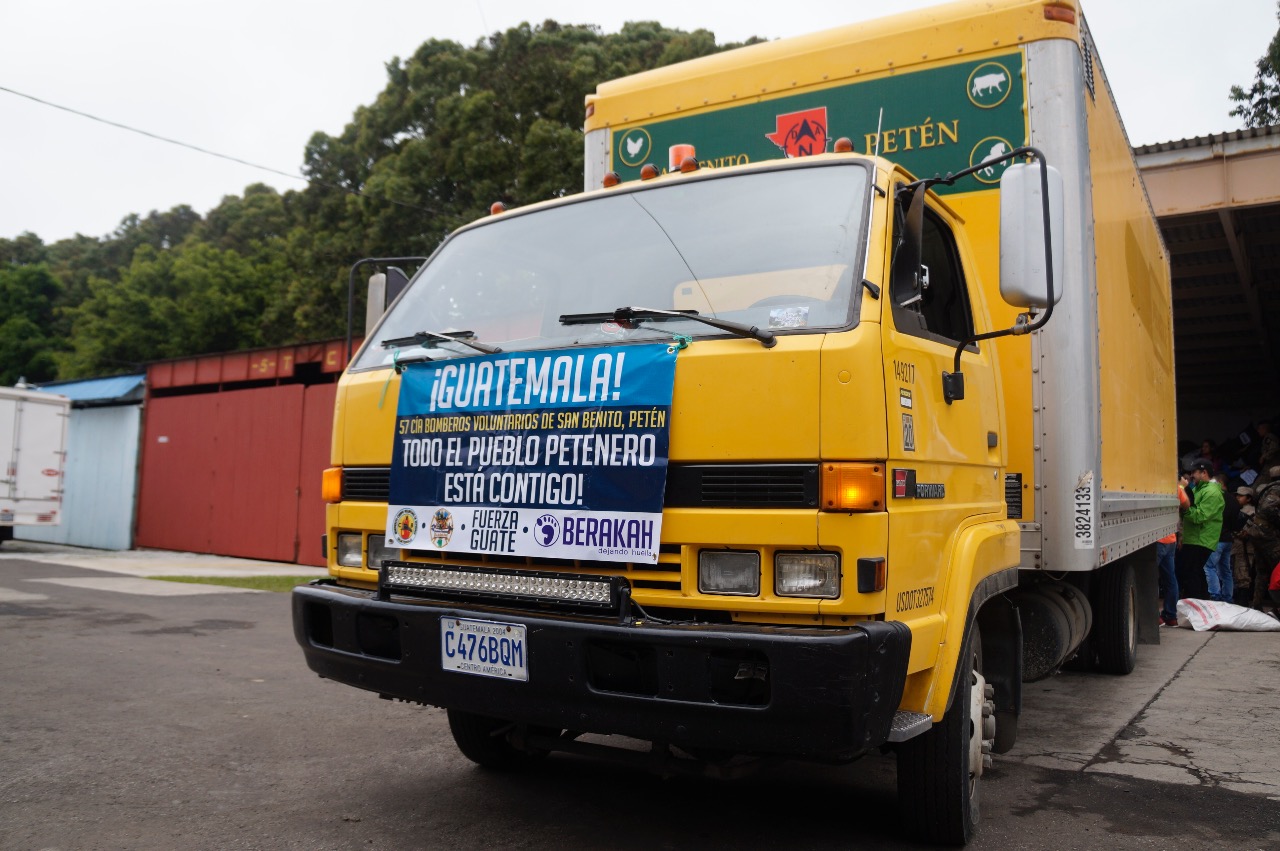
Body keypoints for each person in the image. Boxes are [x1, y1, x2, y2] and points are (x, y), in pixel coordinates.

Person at [1176, 459, 1224, 601]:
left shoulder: (1212, 493)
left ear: (1204, 473)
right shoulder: (1198, 489)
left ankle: (1195, 604)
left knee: (1192, 573)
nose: (1191, 476)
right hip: (1194, 538)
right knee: (1194, 572)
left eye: (1194, 473)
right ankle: (1201, 602)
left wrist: (1184, 508)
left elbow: (1199, 516)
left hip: (1201, 539)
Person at [1243, 466, 1280, 610]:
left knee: (1262, 571)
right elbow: (1267, 509)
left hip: (1258, 534)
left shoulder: (1266, 489)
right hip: (1267, 535)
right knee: (1278, 569)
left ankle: (1257, 605)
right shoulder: (1277, 489)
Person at [1157, 477, 1190, 626]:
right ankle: (1170, 616)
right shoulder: (1175, 488)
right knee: (1170, 579)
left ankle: (1153, 616)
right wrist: (1181, 488)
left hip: (1156, 540)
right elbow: (1186, 505)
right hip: (1171, 539)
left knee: (1151, 579)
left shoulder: (1154, 484)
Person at [1204, 473, 1238, 602]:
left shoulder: (1216, 497)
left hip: (1216, 538)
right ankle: (1228, 597)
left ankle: (1215, 595)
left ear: (1219, 483)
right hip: (1228, 539)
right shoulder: (1234, 500)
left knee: (1209, 567)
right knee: (1225, 570)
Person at [1231, 486, 1256, 605]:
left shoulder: (1249, 513)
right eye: (1237, 495)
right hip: (1240, 548)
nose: (1237, 498)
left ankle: (1243, 601)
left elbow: (1242, 532)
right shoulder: (1240, 511)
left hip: (1245, 548)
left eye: (1241, 496)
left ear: (1249, 498)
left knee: (1243, 574)